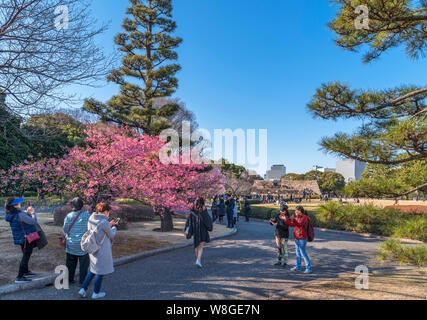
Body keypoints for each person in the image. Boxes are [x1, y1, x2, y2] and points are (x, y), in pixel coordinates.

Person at [79, 202, 118, 299]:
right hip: (102, 249)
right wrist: (114, 227)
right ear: (105, 211)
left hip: (93, 247)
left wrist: (109, 225)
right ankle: (95, 293)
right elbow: (111, 235)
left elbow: (97, 231)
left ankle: (83, 289)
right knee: (100, 272)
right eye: (108, 211)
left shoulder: (91, 219)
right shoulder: (104, 222)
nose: (108, 213)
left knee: (92, 270)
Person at [5, 197, 39, 283]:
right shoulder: (20, 214)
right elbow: (33, 222)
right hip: (26, 238)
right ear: (15, 206)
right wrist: (33, 213)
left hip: (21, 237)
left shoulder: (12, 214)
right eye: (19, 203)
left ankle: (26, 272)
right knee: (26, 256)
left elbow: (23, 220)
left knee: (25, 254)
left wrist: (27, 213)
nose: (20, 204)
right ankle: (19, 277)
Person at [63, 197, 91, 285]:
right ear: (82, 206)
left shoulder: (69, 216)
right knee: (83, 265)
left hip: (71, 243)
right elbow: (90, 229)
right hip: (83, 244)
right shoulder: (87, 216)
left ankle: (69, 279)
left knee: (70, 263)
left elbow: (65, 229)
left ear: (72, 206)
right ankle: (82, 282)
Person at [280, 205, 312, 273]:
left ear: (299, 211)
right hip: (297, 237)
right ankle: (298, 266)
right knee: (298, 253)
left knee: (303, 252)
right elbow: (292, 224)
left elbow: (300, 224)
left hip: (302, 237)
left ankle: (309, 267)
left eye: (296, 211)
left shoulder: (304, 217)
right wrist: (285, 220)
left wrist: (293, 219)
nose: (295, 212)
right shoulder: (297, 217)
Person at [185, 197, 213, 268]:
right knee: (200, 246)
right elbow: (208, 221)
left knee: (196, 245)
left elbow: (188, 221)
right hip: (203, 230)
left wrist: (187, 229)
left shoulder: (192, 211)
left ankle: (198, 259)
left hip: (195, 230)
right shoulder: (204, 211)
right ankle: (198, 260)